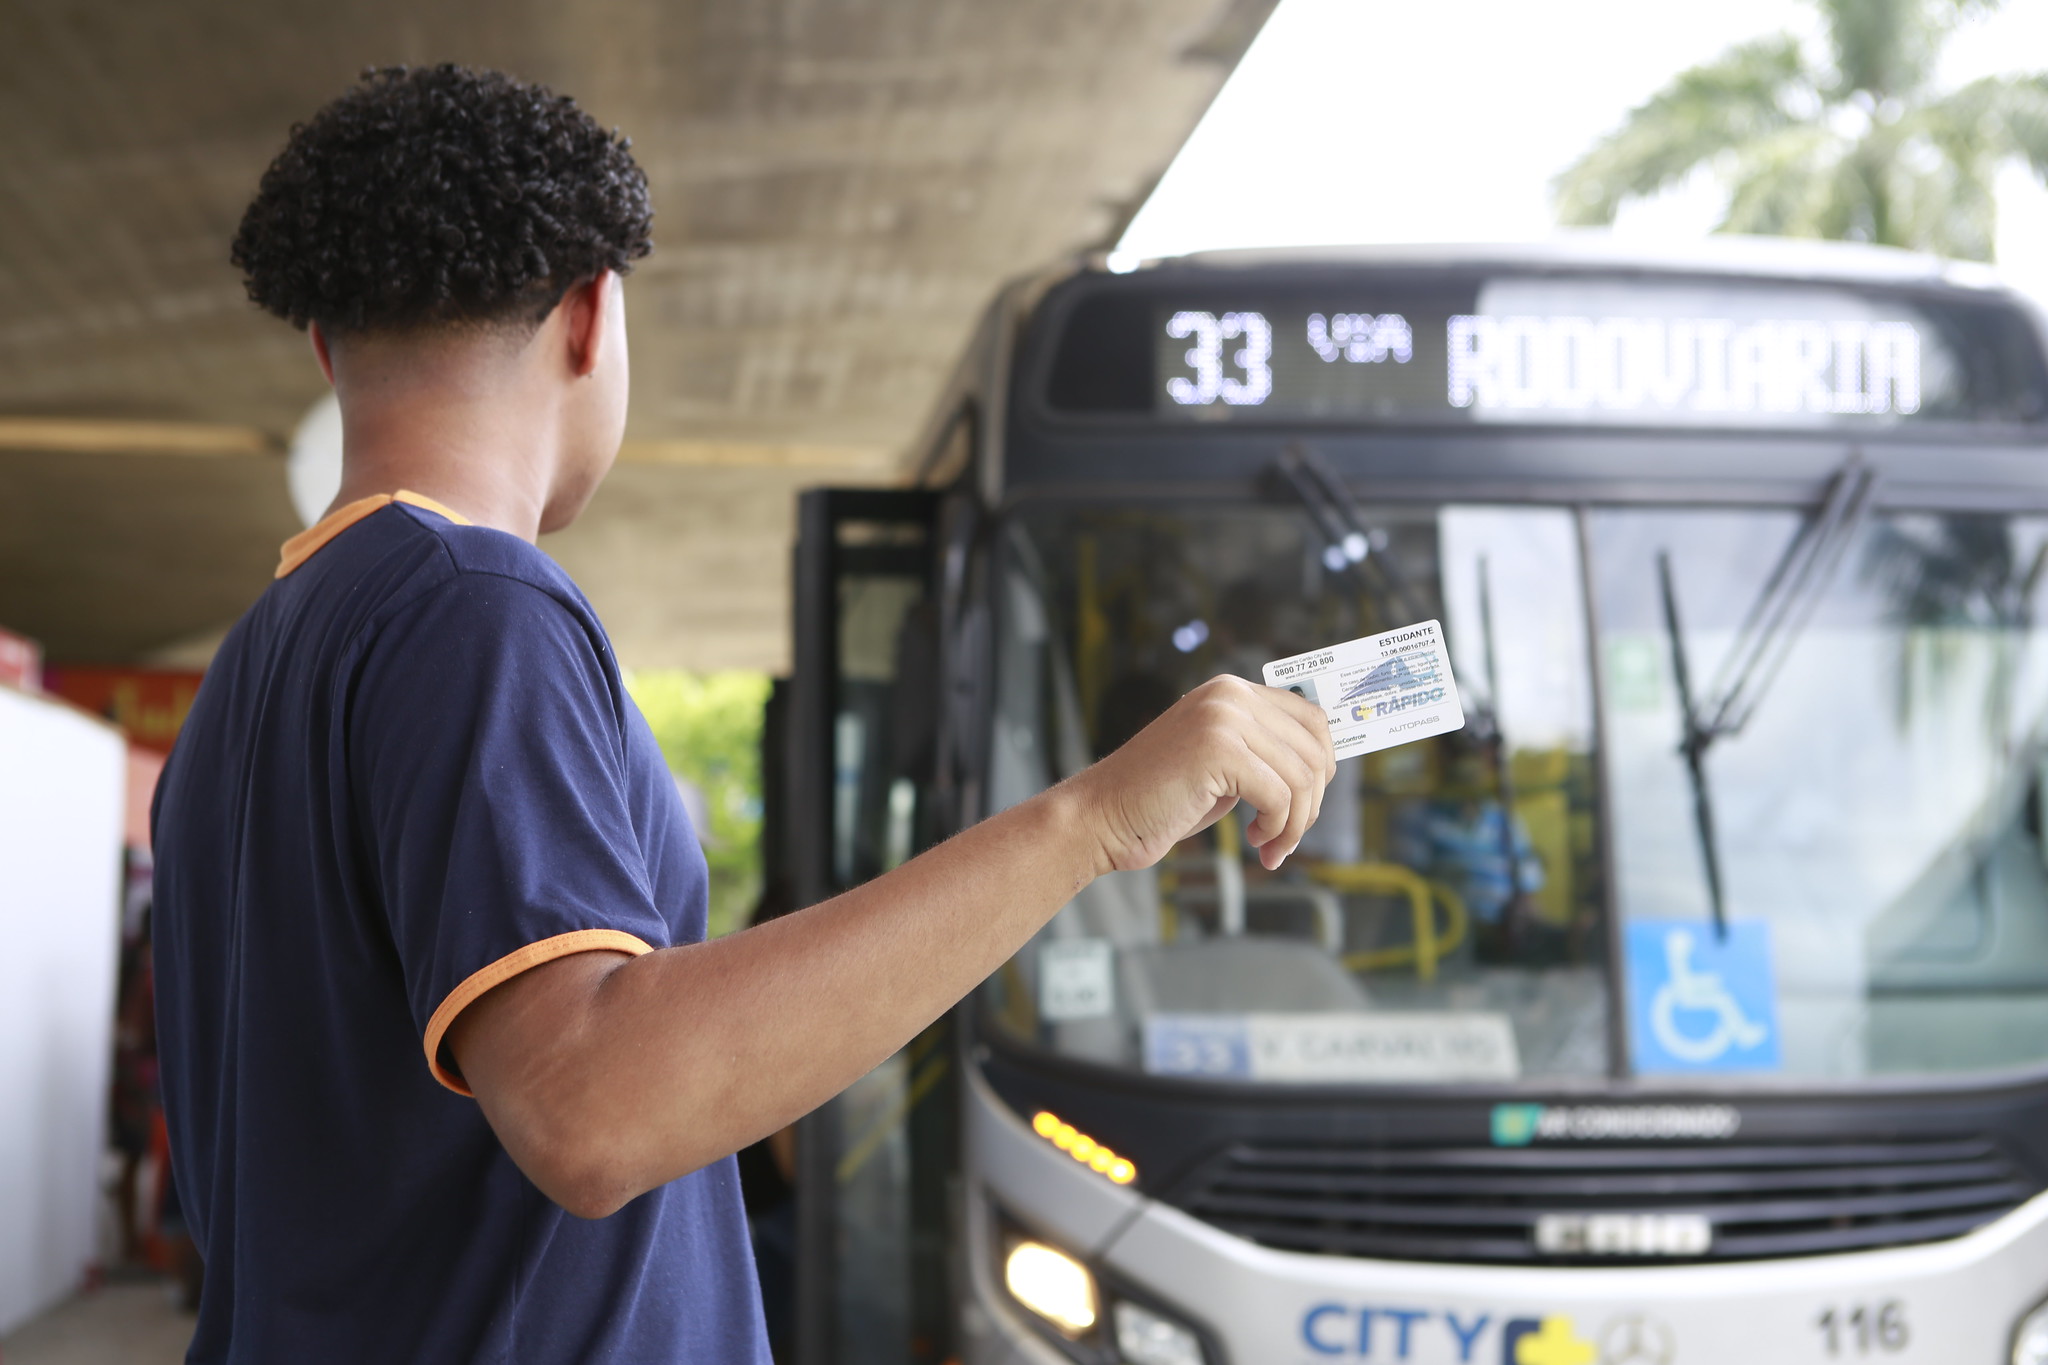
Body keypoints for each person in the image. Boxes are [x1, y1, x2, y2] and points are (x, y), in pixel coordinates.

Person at [150, 65, 1335, 1364]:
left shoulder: (253, 670)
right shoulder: (477, 607)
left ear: (325, 346)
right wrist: (1092, 821)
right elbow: (591, 1105)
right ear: (592, 313)